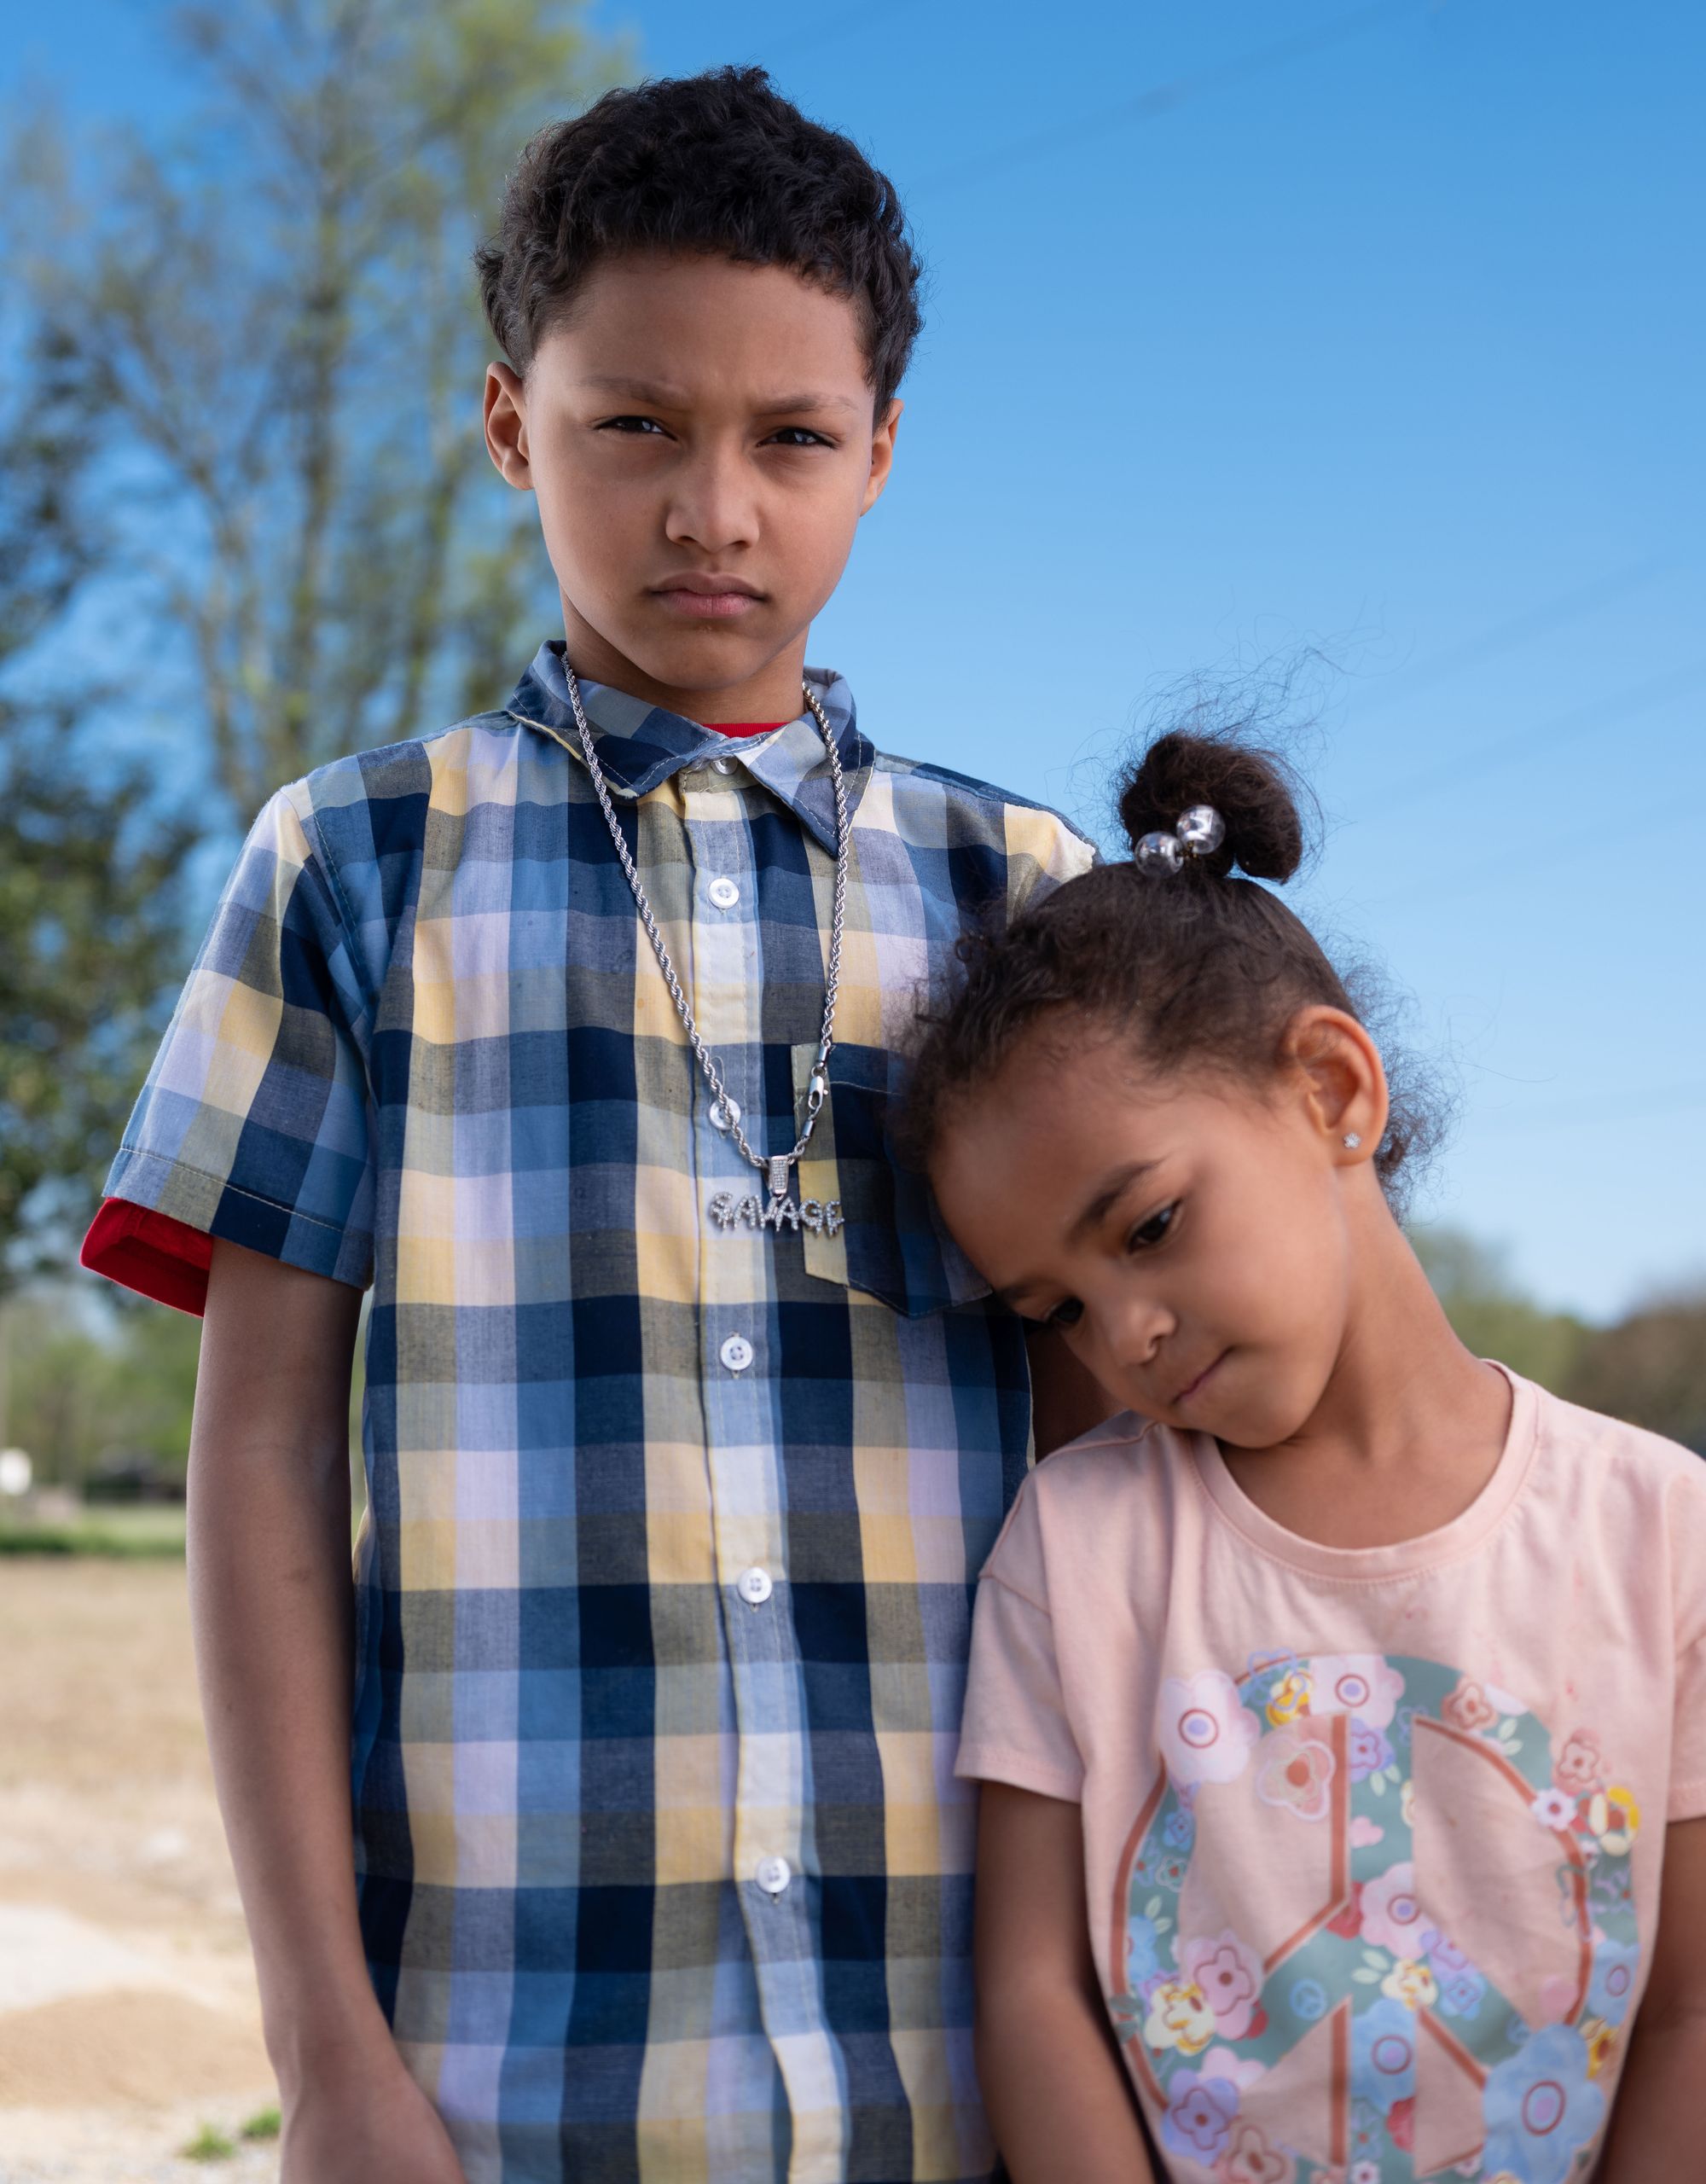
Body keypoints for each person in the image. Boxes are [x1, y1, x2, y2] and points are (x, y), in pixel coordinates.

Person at [79, 67, 1105, 2184]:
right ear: (506, 427)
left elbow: (1124, 1473)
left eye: (792, 438)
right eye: (633, 424)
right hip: (498, 2085)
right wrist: (323, 2052)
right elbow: (261, 1446)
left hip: (981, 2078)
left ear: (882, 453)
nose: (711, 509)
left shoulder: (1025, 895)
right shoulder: (354, 864)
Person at [902, 729, 1706, 2181]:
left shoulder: (1662, 1534)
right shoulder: (1076, 1557)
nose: (1125, 1335)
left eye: (1147, 1227)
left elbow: (1692, 2010)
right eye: (1058, 1310)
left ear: (1333, 1092)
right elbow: (1032, 1994)